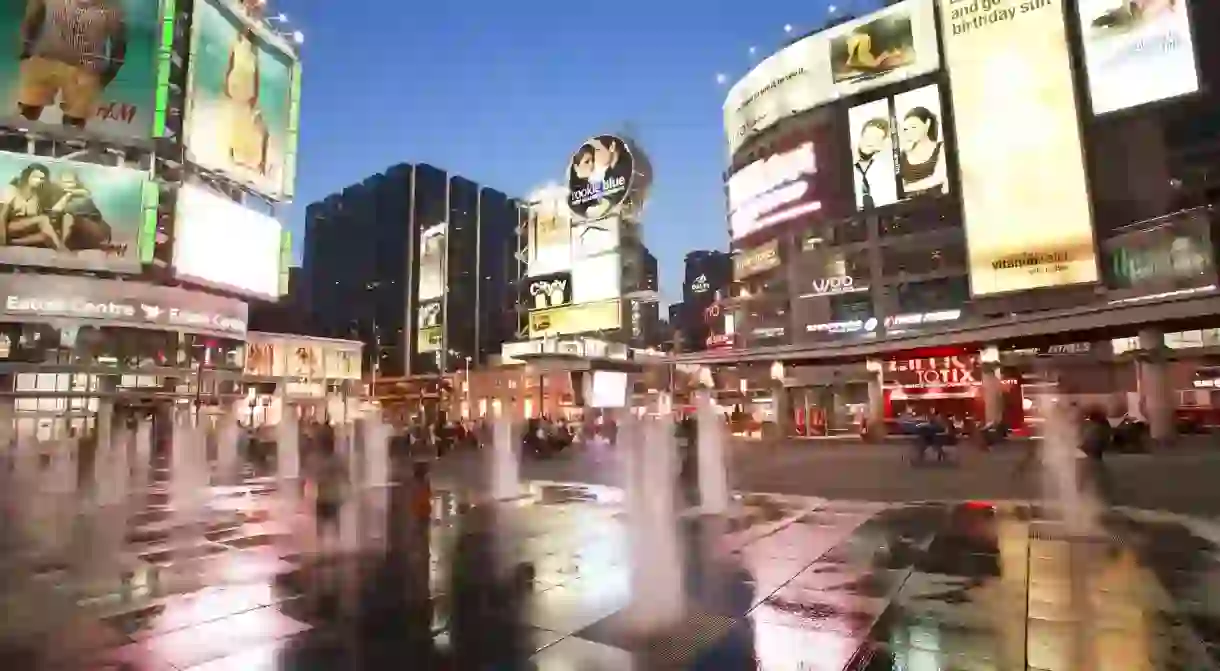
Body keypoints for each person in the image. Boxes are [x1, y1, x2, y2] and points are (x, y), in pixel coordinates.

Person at [17, 0, 128, 129]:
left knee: (74, 122)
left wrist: (109, 72)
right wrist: (26, 50)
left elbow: (119, 44)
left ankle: (70, 143)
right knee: (27, 110)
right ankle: (19, 137)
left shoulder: (112, 8)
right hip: (47, 58)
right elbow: (32, 21)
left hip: (84, 68)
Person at [225, 28, 269, 175]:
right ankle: (233, 151)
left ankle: (241, 154)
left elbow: (256, 77)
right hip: (237, 85)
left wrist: (255, 94)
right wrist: (226, 83)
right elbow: (230, 66)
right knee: (237, 120)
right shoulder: (236, 46)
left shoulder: (253, 55)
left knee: (244, 122)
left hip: (245, 89)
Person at [0, 163, 65, 248]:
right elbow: (2, 216)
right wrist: (2, 238)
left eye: (41, 178)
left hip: (24, 229)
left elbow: (36, 220)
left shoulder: (37, 196)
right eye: (35, 177)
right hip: (8, 226)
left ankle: (13, 243)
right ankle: (61, 248)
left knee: (47, 236)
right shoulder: (12, 190)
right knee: (43, 219)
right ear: (27, 176)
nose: (38, 180)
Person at [309, 436, 347, 553]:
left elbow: (313, 476)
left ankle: (322, 547)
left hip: (325, 496)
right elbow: (344, 475)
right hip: (331, 496)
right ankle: (334, 546)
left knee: (323, 524)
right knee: (333, 523)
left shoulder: (318, 459)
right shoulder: (336, 459)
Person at [898, 106, 946, 196]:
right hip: (909, 208)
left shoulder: (941, 148)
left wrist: (907, 188)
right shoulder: (903, 155)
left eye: (914, 127)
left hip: (937, 204)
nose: (909, 132)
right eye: (906, 129)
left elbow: (939, 177)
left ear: (927, 124)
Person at [853, 117, 893, 210]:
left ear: (882, 144)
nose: (870, 142)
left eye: (876, 138)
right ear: (861, 137)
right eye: (868, 136)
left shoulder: (885, 169)